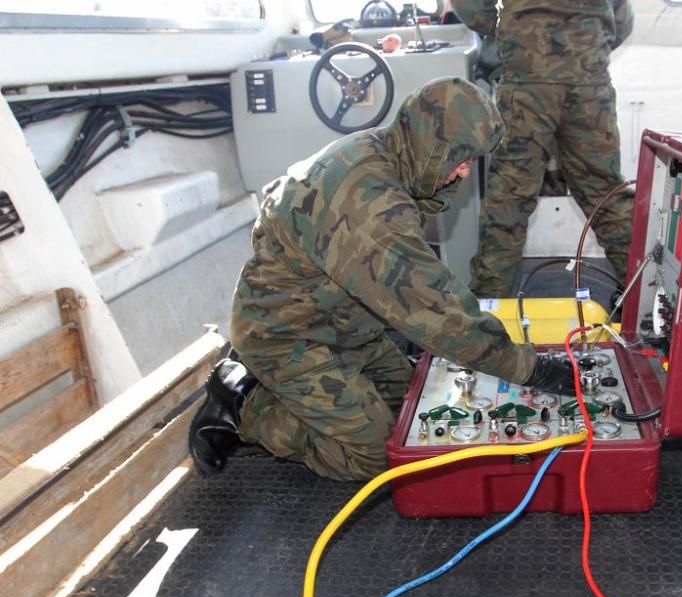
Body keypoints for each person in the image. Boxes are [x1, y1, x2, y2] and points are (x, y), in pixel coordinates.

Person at [188, 77, 575, 481]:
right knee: (381, 457)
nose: (463, 172)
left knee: (418, 411)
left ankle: (282, 391)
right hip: (288, 337)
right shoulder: (370, 206)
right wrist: (532, 370)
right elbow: (436, 312)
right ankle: (245, 406)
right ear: (432, 143)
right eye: (459, 158)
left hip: (345, 326)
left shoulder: (387, 149)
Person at [454, 0, 636, 298]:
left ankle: (488, 309)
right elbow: (622, 18)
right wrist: (584, 47)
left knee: (510, 195)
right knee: (604, 191)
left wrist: (507, 31)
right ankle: (639, 301)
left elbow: (470, 6)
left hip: (528, 74)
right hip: (588, 75)